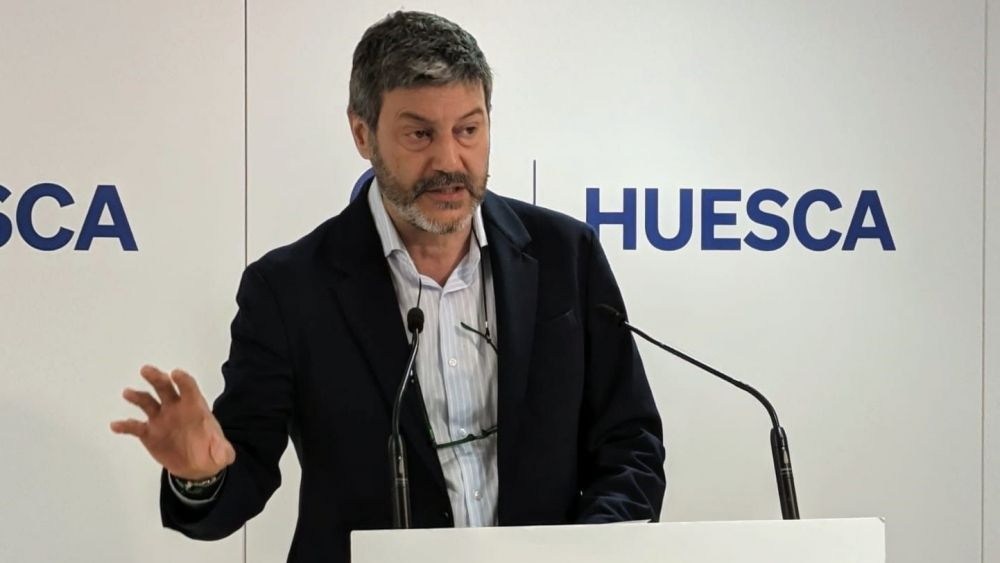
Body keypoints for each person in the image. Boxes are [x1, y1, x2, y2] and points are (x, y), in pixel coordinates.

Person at [111, 10, 665, 563]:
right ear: (362, 133)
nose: (449, 161)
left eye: (468, 130)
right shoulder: (290, 289)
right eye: (420, 134)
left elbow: (631, 445)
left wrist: (583, 552)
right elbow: (243, 466)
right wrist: (200, 476)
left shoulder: (566, 255)